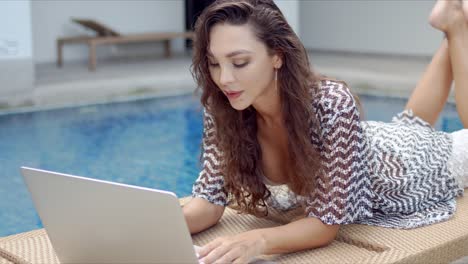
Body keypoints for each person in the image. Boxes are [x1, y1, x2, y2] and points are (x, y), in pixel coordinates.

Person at [182, 0, 468, 263]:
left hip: (408, 167)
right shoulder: (223, 109)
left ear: (277, 56)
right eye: (214, 63)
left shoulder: (332, 103)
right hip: (371, 146)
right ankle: (452, 21)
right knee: (407, 124)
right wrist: (152, 226)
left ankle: (456, 26)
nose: (224, 79)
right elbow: (208, 200)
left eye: (240, 62)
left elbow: (324, 224)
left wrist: (256, 240)